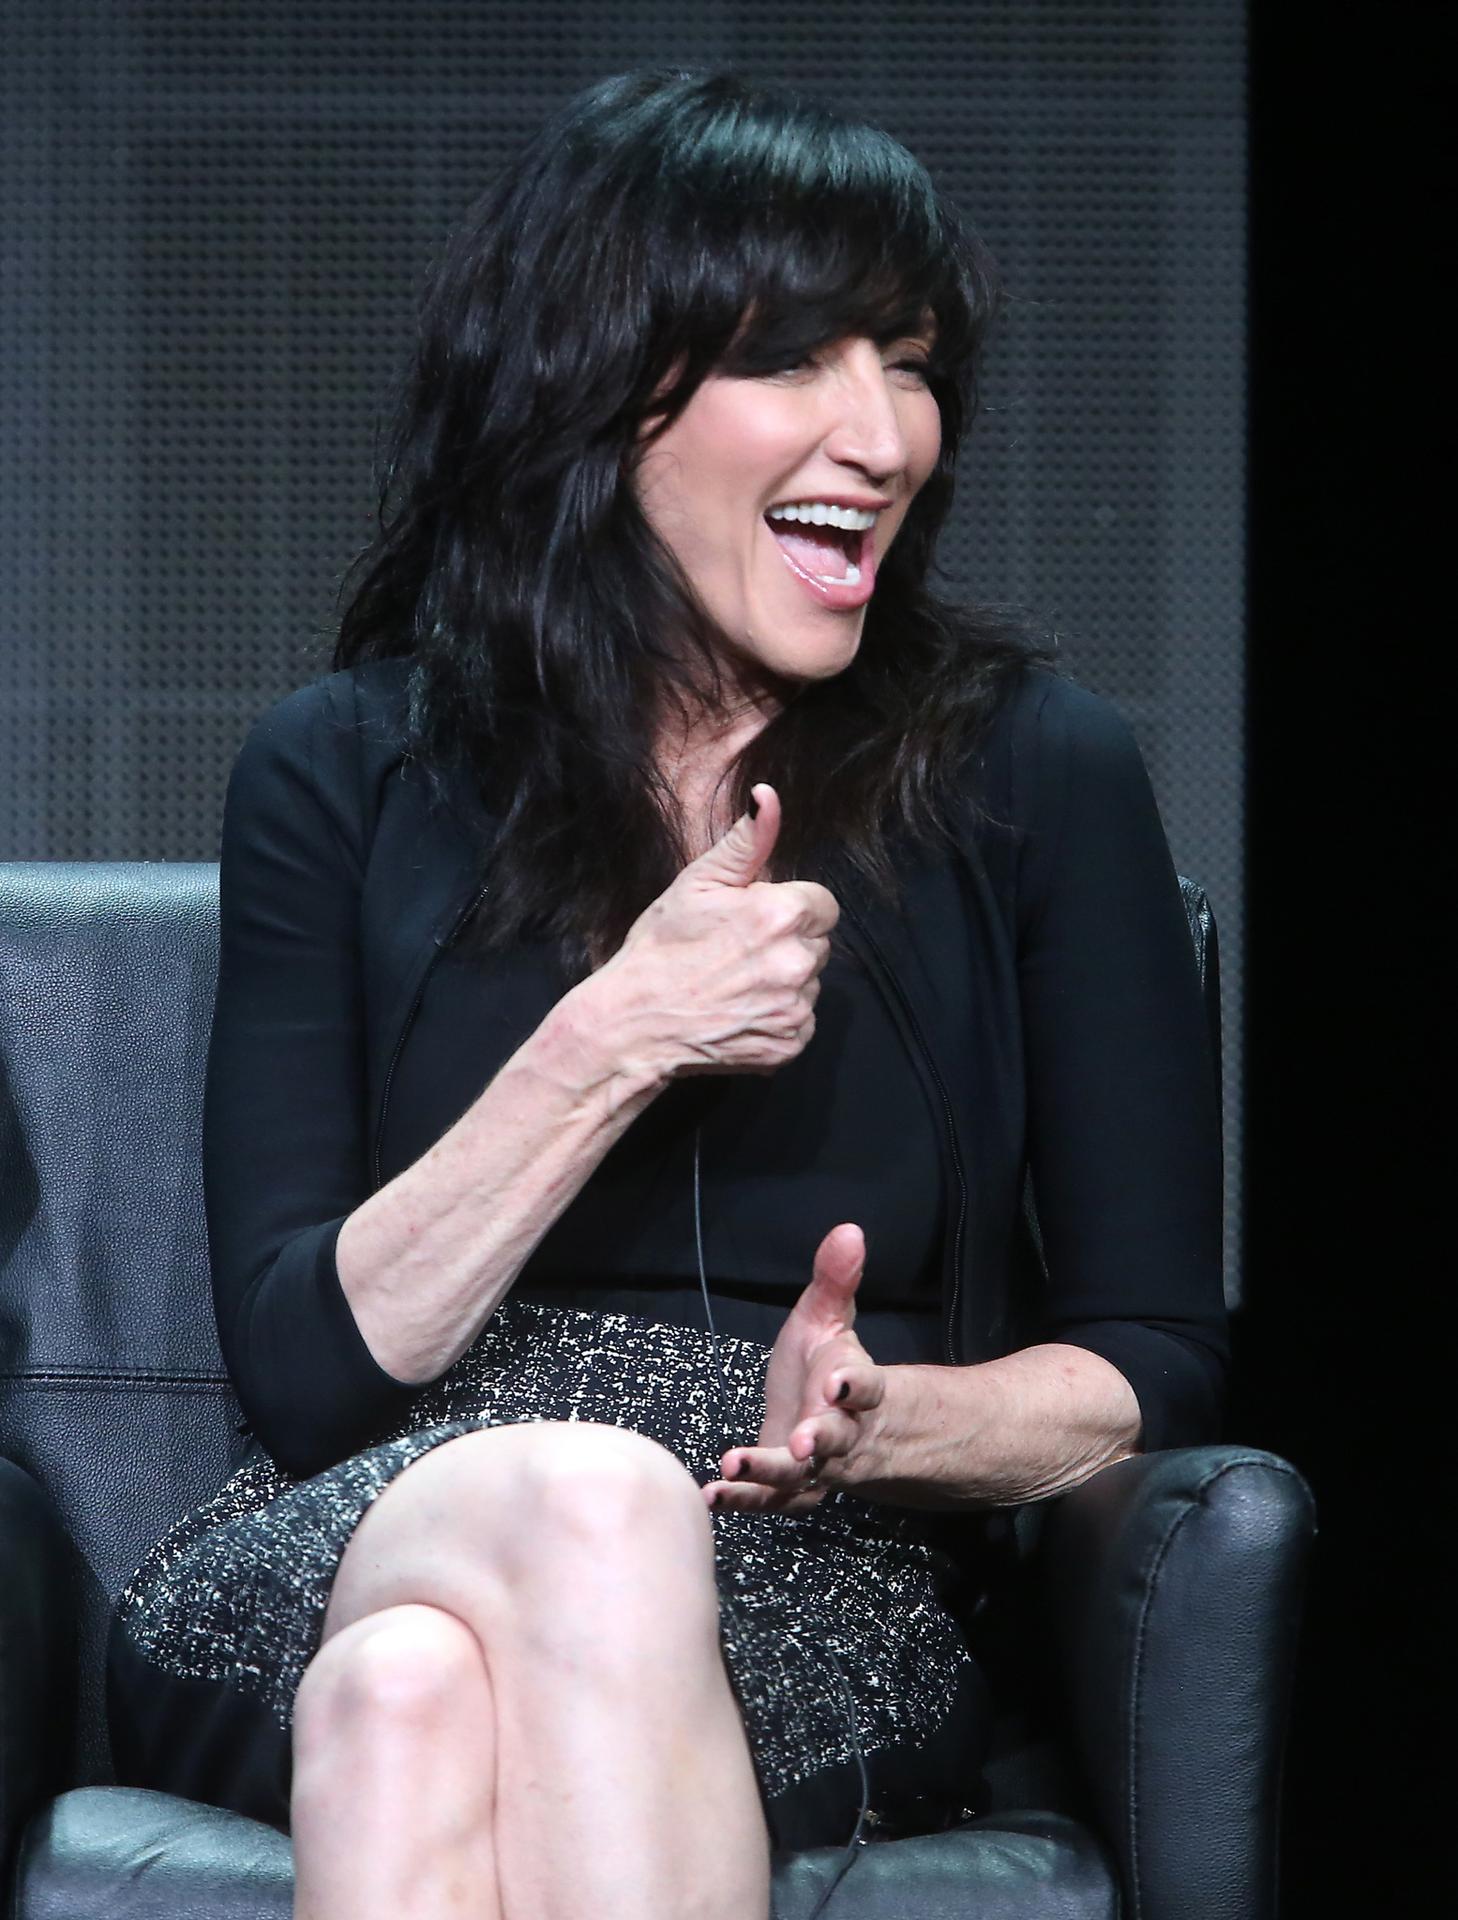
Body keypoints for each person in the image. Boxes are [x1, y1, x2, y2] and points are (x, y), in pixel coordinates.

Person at [105, 64, 1228, 1920]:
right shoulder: (345, 766)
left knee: (403, 1703)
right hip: (367, 1511)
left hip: (815, 1574)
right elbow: (306, 1376)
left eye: (910, 365)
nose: (881, 434)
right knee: (573, 1505)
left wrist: (890, 1424)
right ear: (594, 395)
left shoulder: (1035, 770)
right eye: (795, 359)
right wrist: (618, 1033)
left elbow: (1153, 1357)